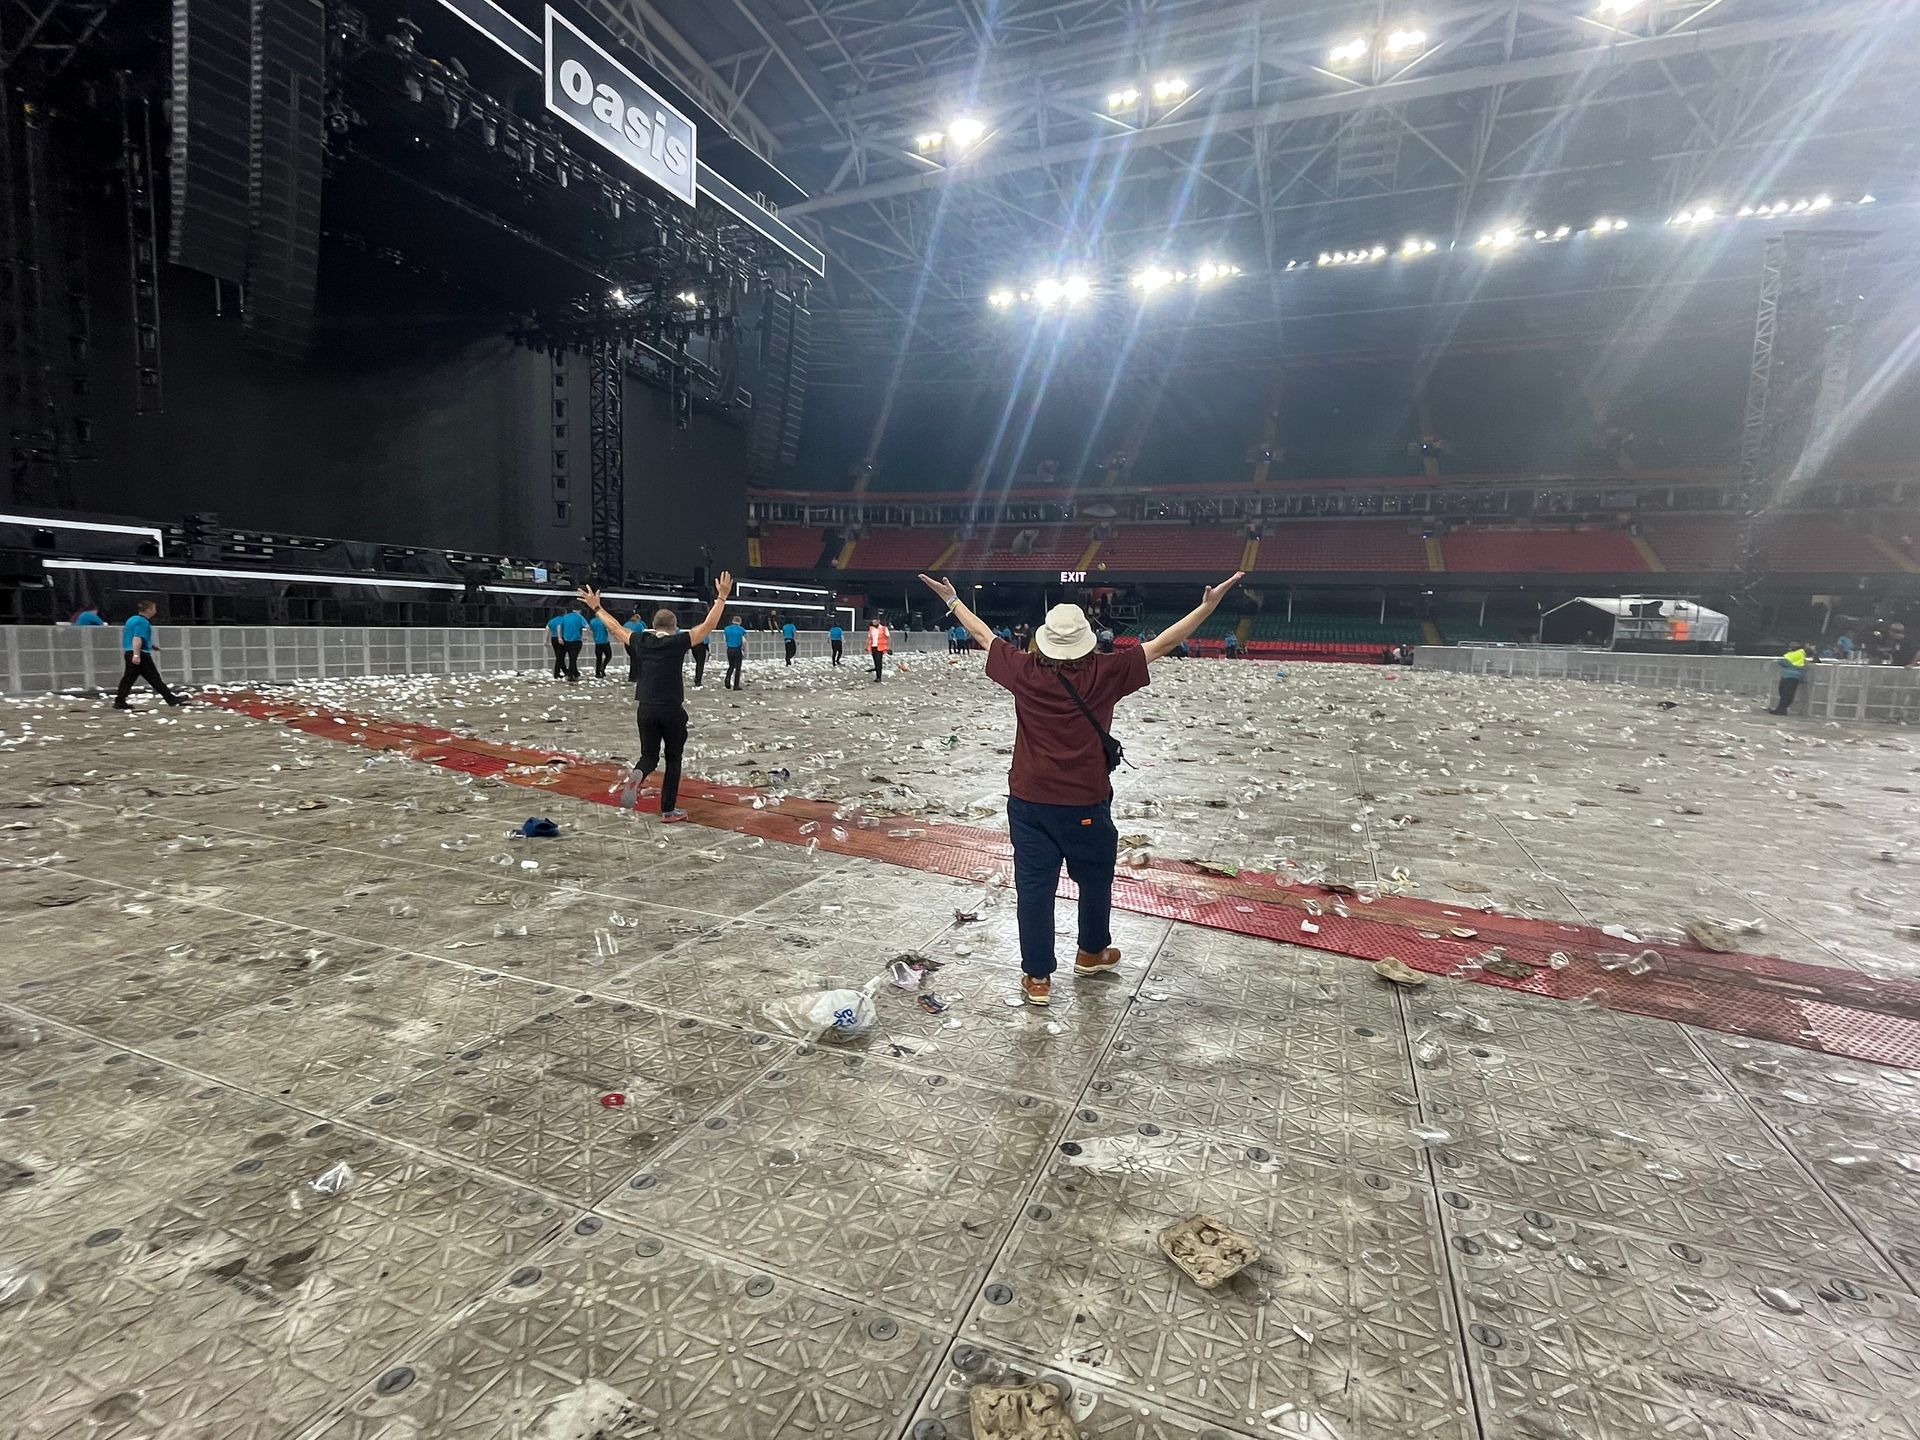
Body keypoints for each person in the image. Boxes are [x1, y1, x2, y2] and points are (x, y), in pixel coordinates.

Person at [921, 570, 1244, 1005]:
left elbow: (983, 636)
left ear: (1043, 642)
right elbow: (1163, 643)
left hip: (1029, 801)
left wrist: (953, 600)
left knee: (1034, 888)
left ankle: (1038, 978)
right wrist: (1207, 607)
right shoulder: (1105, 672)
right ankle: (1091, 953)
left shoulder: (1024, 670)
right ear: (1087, 642)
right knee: (1094, 880)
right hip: (1085, 802)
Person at [579, 573, 732, 824]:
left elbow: (615, 627)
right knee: (673, 759)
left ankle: (639, 773)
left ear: (653, 624)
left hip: (646, 708)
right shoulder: (679, 641)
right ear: (675, 626)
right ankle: (668, 810)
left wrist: (596, 607)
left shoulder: (641, 640)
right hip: (671, 708)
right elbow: (708, 625)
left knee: (649, 756)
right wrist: (722, 597)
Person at [113, 600, 183, 709]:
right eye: (154, 608)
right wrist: (137, 655)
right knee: (154, 678)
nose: (155, 611)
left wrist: (151, 646)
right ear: (149, 610)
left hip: (129, 652)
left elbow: (133, 637)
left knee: (128, 679)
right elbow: (137, 638)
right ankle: (171, 699)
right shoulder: (142, 622)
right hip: (140, 654)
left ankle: (119, 701)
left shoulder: (132, 619)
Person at [1771, 642, 1812, 715]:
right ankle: (1782, 709)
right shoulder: (1801, 654)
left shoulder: (1795, 654)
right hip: (1794, 677)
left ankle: (1780, 710)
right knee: (1788, 694)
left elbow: (1782, 661)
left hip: (1788, 676)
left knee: (1784, 694)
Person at [554, 606, 586, 683]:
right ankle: (571, 674)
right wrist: (586, 636)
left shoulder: (565, 617)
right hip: (576, 640)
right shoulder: (580, 617)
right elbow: (587, 627)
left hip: (566, 641)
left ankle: (573, 673)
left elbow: (558, 627)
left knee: (565, 658)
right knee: (573, 659)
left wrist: (559, 637)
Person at [723, 615, 746, 690]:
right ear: (740, 621)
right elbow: (744, 641)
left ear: (732, 620)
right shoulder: (742, 630)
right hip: (737, 649)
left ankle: (727, 678)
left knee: (731, 666)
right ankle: (736, 685)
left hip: (729, 649)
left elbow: (725, 639)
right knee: (738, 668)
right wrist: (744, 650)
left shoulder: (726, 629)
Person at [867, 613, 892, 682]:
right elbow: (869, 638)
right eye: (873, 621)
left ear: (878, 621)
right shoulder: (871, 629)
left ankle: (878, 677)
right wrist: (867, 647)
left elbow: (888, 637)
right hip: (873, 647)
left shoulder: (884, 628)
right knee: (875, 661)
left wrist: (888, 647)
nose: (873, 622)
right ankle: (877, 671)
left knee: (878, 661)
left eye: (875, 621)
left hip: (880, 647)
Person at [589, 610, 612, 679]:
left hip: (597, 642)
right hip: (605, 641)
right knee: (609, 655)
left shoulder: (592, 621)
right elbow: (609, 629)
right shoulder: (604, 621)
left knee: (599, 658)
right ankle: (603, 666)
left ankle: (597, 673)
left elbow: (590, 629)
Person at [546, 613, 566, 678]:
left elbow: (547, 629)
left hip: (553, 638)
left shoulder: (552, 620)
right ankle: (557, 673)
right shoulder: (564, 619)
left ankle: (564, 671)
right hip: (561, 638)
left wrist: (546, 640)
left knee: (558, 656)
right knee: (560, 657)